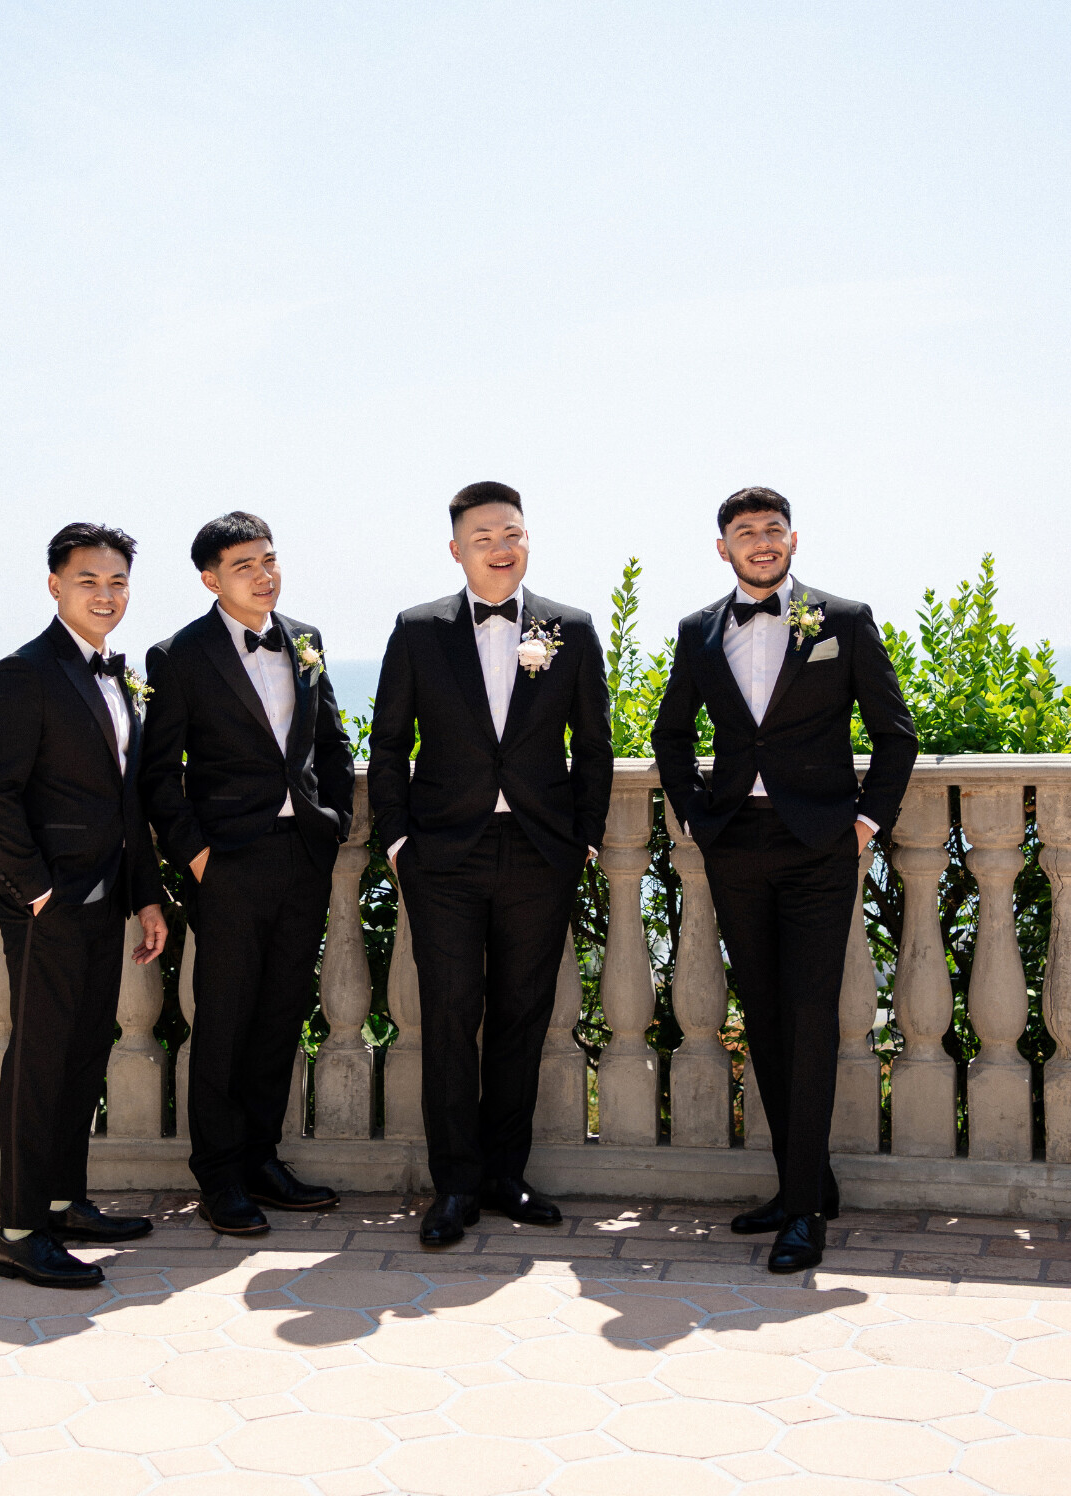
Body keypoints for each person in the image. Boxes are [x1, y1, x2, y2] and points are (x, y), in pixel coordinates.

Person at [652, 486, 916, 1274]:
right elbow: (671, 734)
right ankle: (802, 1181)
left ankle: (803, 1212)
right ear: (723, 547)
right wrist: (700, 818)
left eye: (772, 530)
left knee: (808, 1016)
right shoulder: (700, 630)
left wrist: (866, 823)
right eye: (744, 532)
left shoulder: (844, 620)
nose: (760, 542)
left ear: (793, 540)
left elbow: (894, 733)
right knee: (763, 1016)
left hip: (817, 848)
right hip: (737, 844)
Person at [369, 481, 611, 1247]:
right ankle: (456, 1186)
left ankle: (507, 1174)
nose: (501, 548)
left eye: (512, 533)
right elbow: (388, 744)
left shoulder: (568, 627)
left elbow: (594, 744)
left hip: (541, 852)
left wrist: (587, 839)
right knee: (447, 1018)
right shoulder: (417, 630)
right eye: (484, 537)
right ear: (456, 550)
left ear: (527, 538)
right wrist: (400, 841)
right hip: (443, 855)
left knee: (521, 1016)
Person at [0, 522, 172, 1289]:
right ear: (55, 586)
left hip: (106, 899)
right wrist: (41, 891)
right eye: (90, 580)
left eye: (118, 582)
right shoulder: (24, 673)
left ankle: (62, 1199)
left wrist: (145, 897)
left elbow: (129, 802)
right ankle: (20, 1231)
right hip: (49, 907)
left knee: (84, 1052)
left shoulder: (116, 676)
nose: (106, 594)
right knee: (40, 1064)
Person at [139, 512, 353, 1237]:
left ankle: (262, 1160)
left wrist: (337, 822)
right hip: (228, 863)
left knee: (279, 1016)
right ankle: (220, 1176)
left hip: (303, 856)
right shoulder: (178, 655)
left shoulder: (307, 639)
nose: (264, 574)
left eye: (269, 560)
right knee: (225, 1022)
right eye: (244, 566)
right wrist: (198, 859)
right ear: (210, 578)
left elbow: (331, 740)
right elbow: (159, 775)